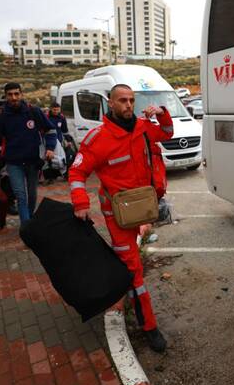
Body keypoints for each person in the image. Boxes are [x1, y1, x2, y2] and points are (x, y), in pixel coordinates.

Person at [68, 84, 174, 353]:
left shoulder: (143, 128)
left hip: (144, 207)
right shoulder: (97, 139)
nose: (128, 105)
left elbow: (167, 133)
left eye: (131, 100)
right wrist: (80, 203)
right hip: (118, 215)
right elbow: (77, 173)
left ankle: (125, 284)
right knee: (134, 269)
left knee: (130, 264)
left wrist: (162, 113)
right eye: (122, 101)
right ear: (110, 104)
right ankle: (149, 326)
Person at [0, 83, 56, 224]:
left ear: (22, 94)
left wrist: (50, 148)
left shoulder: (34, 111)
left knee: (32, 195)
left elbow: (50, 130)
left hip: (33, 161)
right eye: (10, 95)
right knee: (20, 195)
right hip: (13, 162)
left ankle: (29, 219)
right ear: (5, 96)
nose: (14, 97)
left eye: (16, 94)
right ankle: (26, 226)